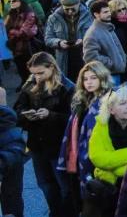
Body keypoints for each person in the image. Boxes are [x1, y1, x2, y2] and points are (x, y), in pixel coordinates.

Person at [14, 52, 74, 217]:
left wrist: (50, 115)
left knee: (65, 187)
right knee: (45, 184)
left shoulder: (67, 88)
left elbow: (73, 120)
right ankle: (55, 213)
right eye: (33, 73)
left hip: (59, 146)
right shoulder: (30, 83)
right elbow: (17, 110)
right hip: (37, 144)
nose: (37, 77)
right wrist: (26, 114)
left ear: (52, 68)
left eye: (40, 73)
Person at [57, 61, 113, 212]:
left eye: (93, 78)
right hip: (79, 158)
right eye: (85, 79)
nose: (88, 82)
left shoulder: (110, 100)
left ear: (102, 78)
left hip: (99, 157)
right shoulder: (80, 101)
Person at [87, 86, 127, 216]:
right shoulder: (101, 124)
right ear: (111, 109)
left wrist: (115, 168)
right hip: (108, 186)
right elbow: (96, 157)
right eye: (122, 103)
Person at [45, 0, 92, 81]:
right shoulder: (53, 18)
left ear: (78, 5)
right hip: (63, 57)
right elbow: (48, 38)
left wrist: (83, 41)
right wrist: (59, 42)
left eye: (73, 9)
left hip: (84, 55)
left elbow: (95, 35)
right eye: (67, 9)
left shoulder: (89, 16)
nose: (70, 12)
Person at [83, 0, 127, 83]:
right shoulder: (92, 33)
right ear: (96, 14)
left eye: (109, 11)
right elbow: (90, 57)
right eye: (105, 12)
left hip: (116, 74)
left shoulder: (108, 27)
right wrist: (112, 63)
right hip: (107, 77)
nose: (109, 14)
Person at [5, 0, 39, 84]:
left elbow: (24, 32)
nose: (11, 2)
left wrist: (11, 32)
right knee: (20, 68)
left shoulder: (30, 14)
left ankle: (31, 84)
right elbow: (5, 29)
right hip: (14, 46)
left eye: (14, 0)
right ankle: (23, 83)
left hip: (26, 47)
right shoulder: (12, 13)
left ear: (22, 2)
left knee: (29, 68)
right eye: (10, 0)